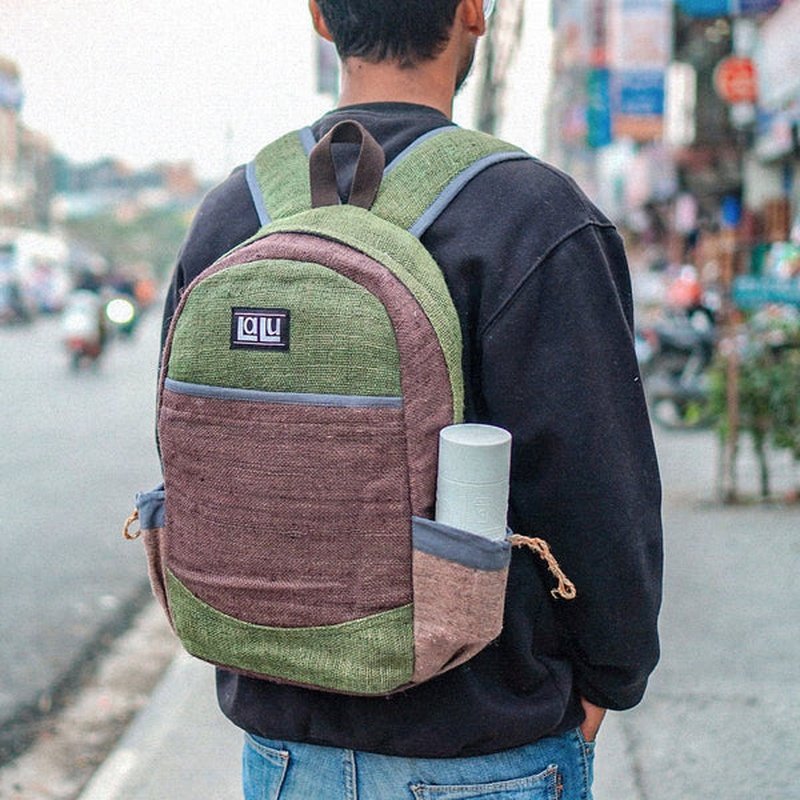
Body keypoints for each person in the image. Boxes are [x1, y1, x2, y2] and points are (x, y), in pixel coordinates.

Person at [160, 1, 663, 797]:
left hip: (281, 750)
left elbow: (187, 454)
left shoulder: (232, 214)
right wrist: (611, 680)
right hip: (485, 745)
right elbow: (598, 491)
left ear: (322, 17)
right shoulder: (533, 216)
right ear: (473, 12)